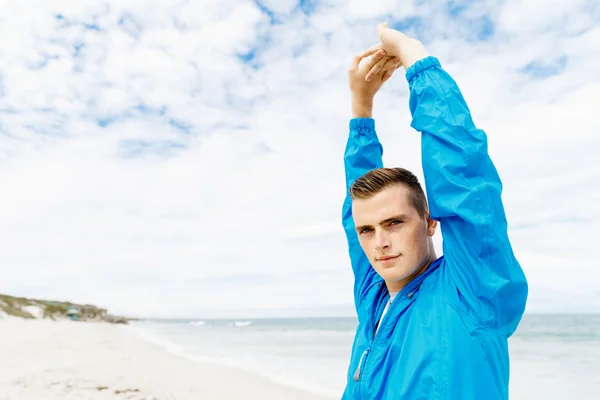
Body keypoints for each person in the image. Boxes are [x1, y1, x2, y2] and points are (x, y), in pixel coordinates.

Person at [341, 23, 528, 399]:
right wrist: (361, 108)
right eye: (367, 231)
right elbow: (358, 206)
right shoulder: (374, 296)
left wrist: (416, 60)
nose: (379, 243)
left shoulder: (472, 292)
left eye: (394, 223)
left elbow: (466, 181)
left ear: (429, 223)